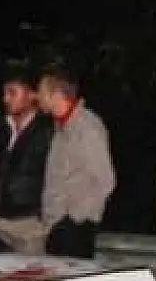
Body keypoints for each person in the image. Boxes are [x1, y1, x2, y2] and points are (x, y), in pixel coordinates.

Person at [37, 68, 115, 259]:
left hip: (74, 227)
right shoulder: (61, 126)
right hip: (57, 224)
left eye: (41, 92)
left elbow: (106, 181)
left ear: (56, 95)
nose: (36, 97)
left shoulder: (86, 128)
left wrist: (74, 217)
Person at [0, 69, 56, 253]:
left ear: (32, 95)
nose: (6, 99)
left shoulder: (47, 131)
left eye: (12, 92)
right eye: (4, 93)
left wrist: (47, 214)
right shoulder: (1, 127)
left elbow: (57, 175)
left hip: (29, 223)